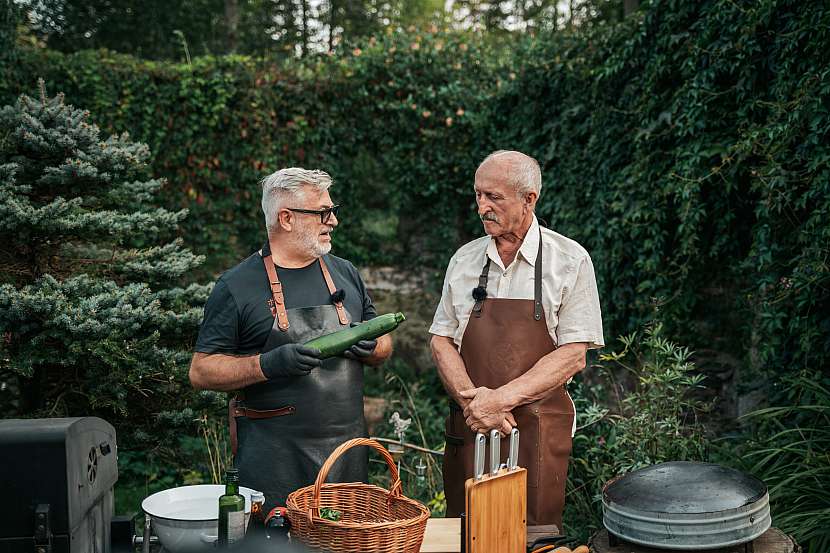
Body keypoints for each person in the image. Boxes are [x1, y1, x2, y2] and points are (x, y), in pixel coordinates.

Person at [190, 168, 392, 511]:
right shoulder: (237, 286)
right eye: (322, 212)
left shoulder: (345, 272)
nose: (333, 221)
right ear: (286, 218)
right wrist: (268, 365)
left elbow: (385, 345)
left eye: (332, 210)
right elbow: (201, 371)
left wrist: (373, 347)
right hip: (274, 466)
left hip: (347, 459)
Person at [429, 151, 604, 540]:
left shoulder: (570, 260)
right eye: (478, 196)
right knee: (466, 534)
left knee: (532, 536)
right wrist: (473, 403)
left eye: (495, 198)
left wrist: (500, 400)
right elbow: (441, 339)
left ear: (529, 199)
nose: (482, 207)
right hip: (471, 424)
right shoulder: (464, 260)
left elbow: (573, 354)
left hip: (537, 431)